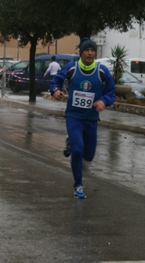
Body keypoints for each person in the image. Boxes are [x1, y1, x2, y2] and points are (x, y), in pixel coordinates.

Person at [49, 37, 116, 199]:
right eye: (86, 50)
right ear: (81, 53)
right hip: (74, 116)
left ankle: (71, 143)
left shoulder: (102, 71)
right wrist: (55, 90)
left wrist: (103, 101)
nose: (90, 53)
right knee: (78, 151)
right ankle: (78, 185)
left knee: (89, 156)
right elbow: (55, 81)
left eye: (92, 50)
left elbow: (111, 92)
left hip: (91, 119)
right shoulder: (72, 68)